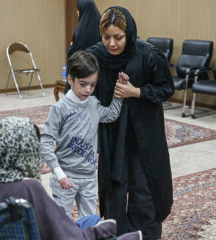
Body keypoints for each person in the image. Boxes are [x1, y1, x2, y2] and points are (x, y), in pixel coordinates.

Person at [0, 117, 142, 240]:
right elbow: (64, 235)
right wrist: (96, 232)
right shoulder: (29, 188)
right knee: (102, 226)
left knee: (91, 219)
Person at [87, 6, 175, 239]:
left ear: (130, 34)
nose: (112, 44)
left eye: (119, 37)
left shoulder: (148, 55)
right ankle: (117, 235)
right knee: (114, 187)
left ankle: (144, 235)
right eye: (106, 37)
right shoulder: (96, 55)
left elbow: (167, 88)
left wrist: (136, 91)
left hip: (142, 135)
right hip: (112, 133)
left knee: (143, 189)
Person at [41, 51, 127, 219]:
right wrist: (59, 174)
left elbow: (111, 114)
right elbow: (45, 143)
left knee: (90, 221)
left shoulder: (94, 104)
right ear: (70, 79)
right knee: (61, 223)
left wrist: (120, 90)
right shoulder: (59, 109)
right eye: (83, 84)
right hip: (65, 176)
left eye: (93, 85)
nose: (88, 89)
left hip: (88, 177)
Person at [64, 0, 101, 93]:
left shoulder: (80, 31)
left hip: (81, 77)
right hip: (98, 78)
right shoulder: (102, 27)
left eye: (79, 10)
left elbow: (73, 55)